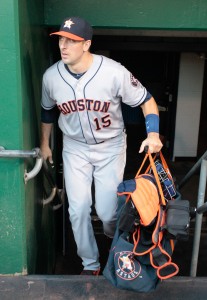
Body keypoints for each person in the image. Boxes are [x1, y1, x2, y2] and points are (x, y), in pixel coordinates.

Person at [40, 16, 163, 275]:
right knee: (78, 209)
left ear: (86, 44)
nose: (64, 45)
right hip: (74, 148)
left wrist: (153, 134)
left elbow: (147, 101)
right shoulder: (51, 76)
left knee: (107, 213)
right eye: (61, 39)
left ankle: (113, 239)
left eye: (71, 41)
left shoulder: (113, 72)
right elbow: (47, 112)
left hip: (110, 146)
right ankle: (90, 264)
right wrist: (45, 145)